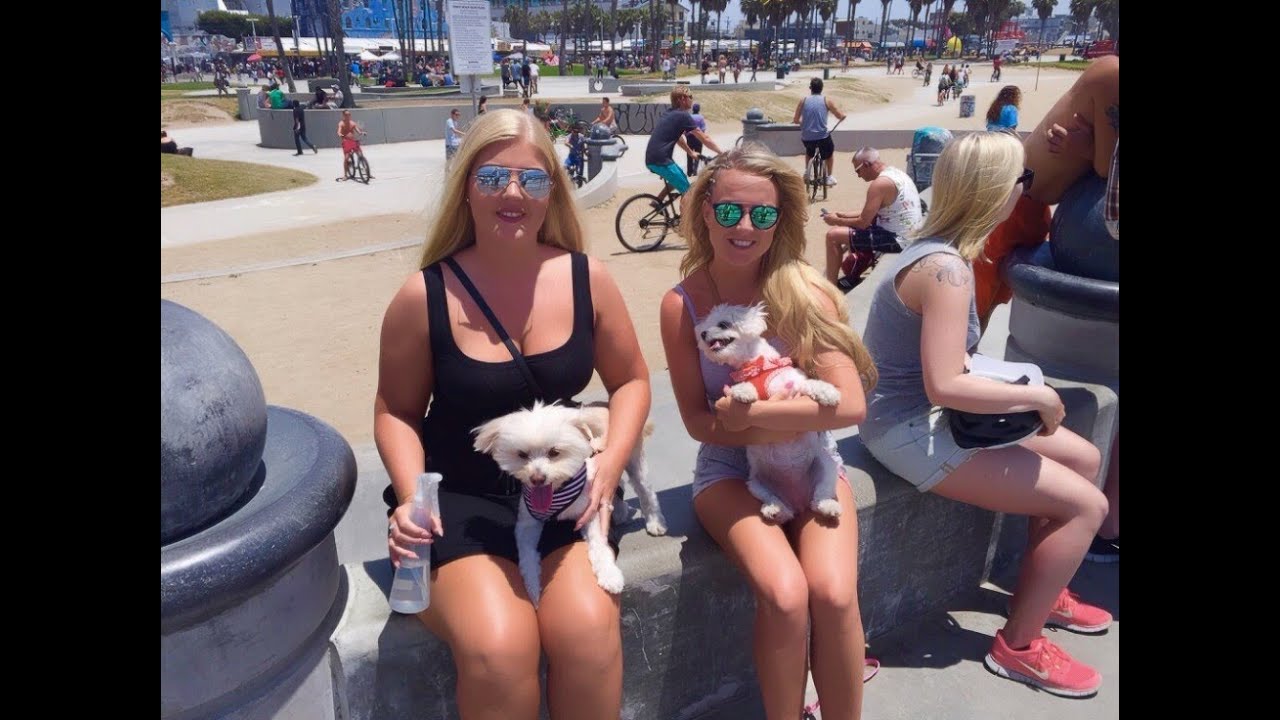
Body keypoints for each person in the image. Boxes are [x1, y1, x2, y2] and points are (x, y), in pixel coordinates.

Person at [375, 109, 650, 719]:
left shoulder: (587, 277)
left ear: (554, 190)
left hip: (561, 490)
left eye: (533, 179)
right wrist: (411, 499)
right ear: (465, 187)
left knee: (587, 633)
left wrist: (608, 470)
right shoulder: (423, 295)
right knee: (501, 649)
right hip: (460, 501)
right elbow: (396, 411)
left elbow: (631, 380)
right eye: (493, 177)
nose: (513, 194)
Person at [859, 132, 1111, 699]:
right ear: (997, 189)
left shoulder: (939, 250)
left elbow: (948, 363)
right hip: (908, 428)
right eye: (1023, 180)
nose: (1026, 191)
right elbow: (946, 383)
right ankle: (1018, 648)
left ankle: (1045, 591)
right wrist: (1037, 399)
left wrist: (1015, 383)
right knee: (1088, 506)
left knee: (1084, 457)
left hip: (921, 413)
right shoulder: (946, 270)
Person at [658, 143, 877, 720]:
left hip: (811, 460)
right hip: (730, 470)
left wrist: (755, 415)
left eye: (763, 213)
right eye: (730, 211)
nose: (745, 227)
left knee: (833, 593)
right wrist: (751, 427)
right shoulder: (682, 306)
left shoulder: (803, 293)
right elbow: (699, 423)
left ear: (781, 220)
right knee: (784, 595)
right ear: (705, 212)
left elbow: (850, 404)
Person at [973, 55, 1119, 329]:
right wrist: (1089, 149)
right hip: (1013, 203)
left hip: (1031, 203)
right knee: (974, 308)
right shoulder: (1113, 75)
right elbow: (1106, 166)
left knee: (989, 300)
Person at [822, 147, 924, 292]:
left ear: (866, 164)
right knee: (851, 232)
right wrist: (842, 215)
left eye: (858, 171)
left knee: (833, 236)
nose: (858, 176)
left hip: (898, 240)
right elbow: (871, 212)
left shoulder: (879, 184)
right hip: (909, 235)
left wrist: (836, 221)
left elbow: (863, 222)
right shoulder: (895, 174)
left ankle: (830, 289)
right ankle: (852, 274)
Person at [644, 86, 723, 203]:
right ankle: (687, 215)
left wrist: (691, 153)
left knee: (679, 177)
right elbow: (704, 138)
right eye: (690, 97)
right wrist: (721, 153)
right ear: (682, 99)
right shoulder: (683, 115)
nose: (692, 99)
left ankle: (657, 202)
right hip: (661, 161)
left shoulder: (670, 113)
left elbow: (679, 138)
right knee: (688, 193)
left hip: (654, 158)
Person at [793, 78, 847, 186]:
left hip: (807, 137)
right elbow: (839, 115)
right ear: (821, 88)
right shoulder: (827, 100)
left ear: (810, 88)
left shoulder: (803, 100)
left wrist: (803, 123)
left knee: (809, 152)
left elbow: (795, 120)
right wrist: (843, 116)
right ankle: (829, 177)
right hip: (822, 137)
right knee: (829, 153)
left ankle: (807, 172)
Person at [338, 110, 367, 177]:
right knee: (346, 158)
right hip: (346, 141)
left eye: (349, 114)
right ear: (343, 116)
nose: (348, 116)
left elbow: (358, 131)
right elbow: (339, 131)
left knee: (360, 155)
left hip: (353, 141)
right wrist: (340, 134)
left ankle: (367, 171)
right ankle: (345, 175)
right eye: (346, 115)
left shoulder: (352, 123)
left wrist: (361, 133)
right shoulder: (341, 123)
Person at [685, 102, 707, 177]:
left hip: (690, 138)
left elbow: (685, 128)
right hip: (698, 138)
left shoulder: (689, 117)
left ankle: (689, 171)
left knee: (689, 153)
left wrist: (686, 135)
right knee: (698, 154)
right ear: (699, 109)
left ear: (692, 109)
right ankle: (695, 171)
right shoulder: (701, 118)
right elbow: (703, 129)